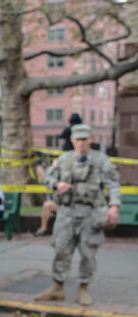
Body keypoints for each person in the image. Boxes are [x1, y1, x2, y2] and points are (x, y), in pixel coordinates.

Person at [35, 124, 121, 306]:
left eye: (84, 139)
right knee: (61, 250)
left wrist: (114, 207)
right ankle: (57, 287)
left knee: (88, 253)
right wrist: (57, 185)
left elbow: (113, 184)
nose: (81, 143)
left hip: (91, 213)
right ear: (72, 140)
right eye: (77, 139)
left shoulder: (100, 160)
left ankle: (83, 288)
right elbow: (47, 179)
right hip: (67, 212)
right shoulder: (64, 160)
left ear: (90, 139)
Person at [36, 113, 82, 236]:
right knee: (47, 205)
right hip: (63, 203)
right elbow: (48, 179)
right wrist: (57, 184)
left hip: (82, 206)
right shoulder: (61, 161)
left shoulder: (89, 160)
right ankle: (43, 229)